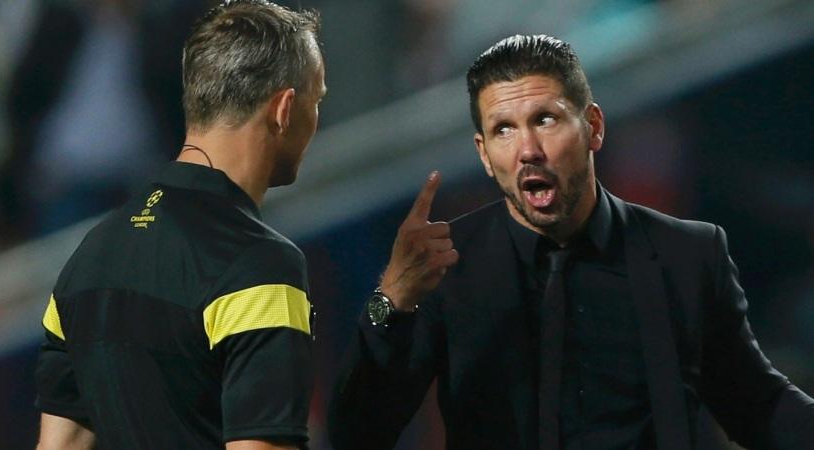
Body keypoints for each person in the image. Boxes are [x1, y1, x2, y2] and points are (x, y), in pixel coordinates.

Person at [329, 34, 814, 450]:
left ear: (593, 127)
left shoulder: (685, 255)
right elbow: (358, 433)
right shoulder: (447, 268)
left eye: (545, 119)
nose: (527, 150)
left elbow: (758, 408)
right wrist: (388, 301)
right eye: (503, 129)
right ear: (484, 154)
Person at [34, 1, 326, 449]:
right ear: (284, 108)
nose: (316, 116)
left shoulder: (89, 254)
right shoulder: (260, 265)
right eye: (316, 99)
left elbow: (59, 445)